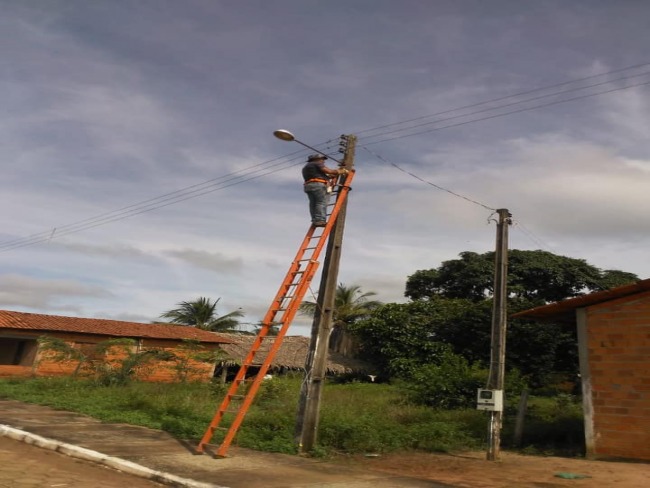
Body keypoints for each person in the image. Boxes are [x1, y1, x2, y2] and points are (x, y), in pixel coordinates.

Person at [302, 154, 348, 227]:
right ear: (316, 159)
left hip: (309, 186)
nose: (323, 161)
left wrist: (330, 176)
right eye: (322, 159)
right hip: (318, 185)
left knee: (313, 203)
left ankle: (315, 220)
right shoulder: (316, 163)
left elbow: (322, 174)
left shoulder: (306, 167)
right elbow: (328, 171)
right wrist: (339, 171)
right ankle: (320, 220)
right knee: (321, 202)